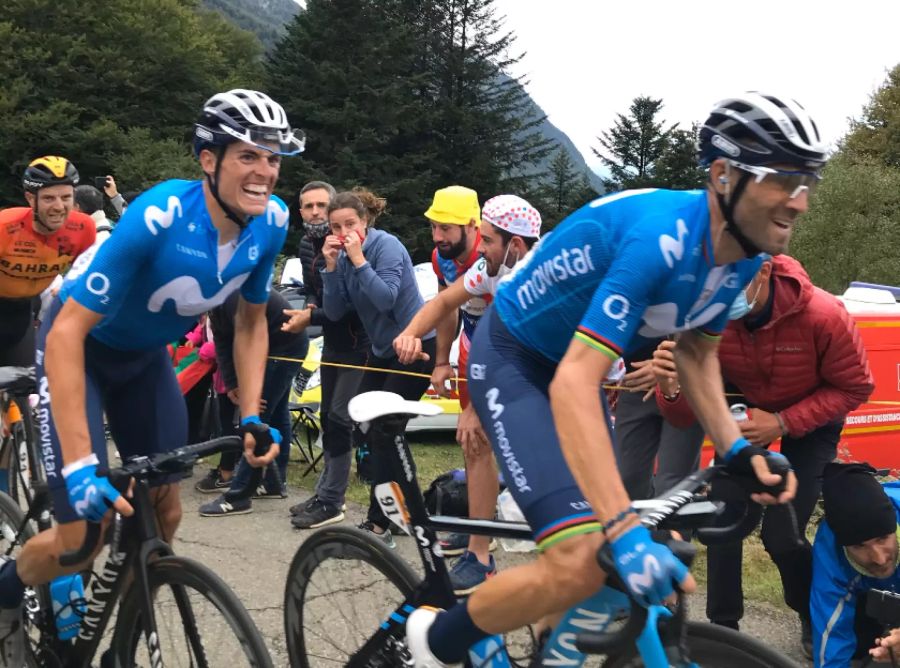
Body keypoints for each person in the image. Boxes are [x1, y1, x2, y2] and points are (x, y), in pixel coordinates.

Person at [406, 91, 821, 667]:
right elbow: (576, 382)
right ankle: (435, 642)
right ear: (724, 176)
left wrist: (733, 449)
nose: (800, 202)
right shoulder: (659, 242)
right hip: (515, 359)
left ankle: (549, 653)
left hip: (564, 368)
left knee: (596, 564)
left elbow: (698, 355)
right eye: (784, 180)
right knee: (583, 556)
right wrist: (623, 527)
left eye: (808, 183)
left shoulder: (743, 256)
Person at [0, 89, 303, 664]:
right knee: (78, 539)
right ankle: (7, 591)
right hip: (79, 350)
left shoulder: (273, 223)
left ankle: (128, 627)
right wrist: (82, 463)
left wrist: (251, 415)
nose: (265, 171)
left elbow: (251, 324)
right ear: (209, 160)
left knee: (164, 510)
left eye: (273, 158)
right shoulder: (160, 215)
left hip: (144, 361)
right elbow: (65, 333)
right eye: (248, 155)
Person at [653, 254, 873, 653]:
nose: (722, 295)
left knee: (782, 535)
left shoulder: (825, 314)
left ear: (765, 272)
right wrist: (671, 387)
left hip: (812, 422)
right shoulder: (707, 316)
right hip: (746, 417)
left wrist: (784, 422)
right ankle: (726, 633)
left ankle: (811, 615)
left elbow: (856, 388)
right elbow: (685, 416)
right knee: (722, 522)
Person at [395, 193, 541, 594]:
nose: (438, 236)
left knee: (519, 452)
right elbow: (446, 305)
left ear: (475, 228)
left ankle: (494, 551)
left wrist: (476, 404)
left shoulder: (513, 267)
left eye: (446, 228)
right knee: (473, 445)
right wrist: (431, 352)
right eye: (434, 227)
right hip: (478, 348)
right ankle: (479, 536)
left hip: (514, 356)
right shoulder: (471, 262)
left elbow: (506, 342)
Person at [319, 188, 436, 547]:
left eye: (350, 224)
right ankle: (410, 510)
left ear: (365, 221)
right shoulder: (341, 254)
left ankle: (379, 525)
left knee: (385, 431)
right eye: (336, 227)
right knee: (369, 426)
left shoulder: (386, 247)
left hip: (416, 345)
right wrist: (330, 268)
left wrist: (357, 260)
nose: (343, 233)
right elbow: (336, 311)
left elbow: (386, 298)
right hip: (385, 349)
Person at [289, 180, 370, 529]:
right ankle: (325, 492)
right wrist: (309, 305)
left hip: (360, 342)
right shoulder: (307, 245)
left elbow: (354, 304)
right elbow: (314, 290)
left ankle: (333, 501)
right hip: (331, 342)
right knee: (327, 418)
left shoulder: (353, 244)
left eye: (322, 205)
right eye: (308, 206)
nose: (316, 212)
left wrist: (312, 316)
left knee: (340, 418)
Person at [199, 288, 310, 516]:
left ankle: (239, 495)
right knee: (277, 413)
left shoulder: (234, 294)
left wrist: (249, 393)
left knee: (258, 416)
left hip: (284, 347)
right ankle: (274, 483)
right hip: (276, 344)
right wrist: (232, 384)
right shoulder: (214, 300)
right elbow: (222, 341)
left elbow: (250, 339)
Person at [0, 157, 95, 367]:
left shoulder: (83, 228)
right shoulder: (5, 226)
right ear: (30, 199)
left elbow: (90, 279)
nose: (59, 206)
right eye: (49, 198)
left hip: (23, 313)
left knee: (26, 391)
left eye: (66, 197)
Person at [811, 463, 900, 666]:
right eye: (860, 546)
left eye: (883, 538)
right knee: (868, 649)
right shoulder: (830, 550)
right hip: (872, 596)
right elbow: (831, 629)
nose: (878, 558)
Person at [613, 335, 706, 501]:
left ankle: (674, 527)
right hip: (636, 382)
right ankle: (640, 526)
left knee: (673, 486)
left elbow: (712, 332)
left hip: (686, 382)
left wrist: (667, 365)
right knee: (627, 480)